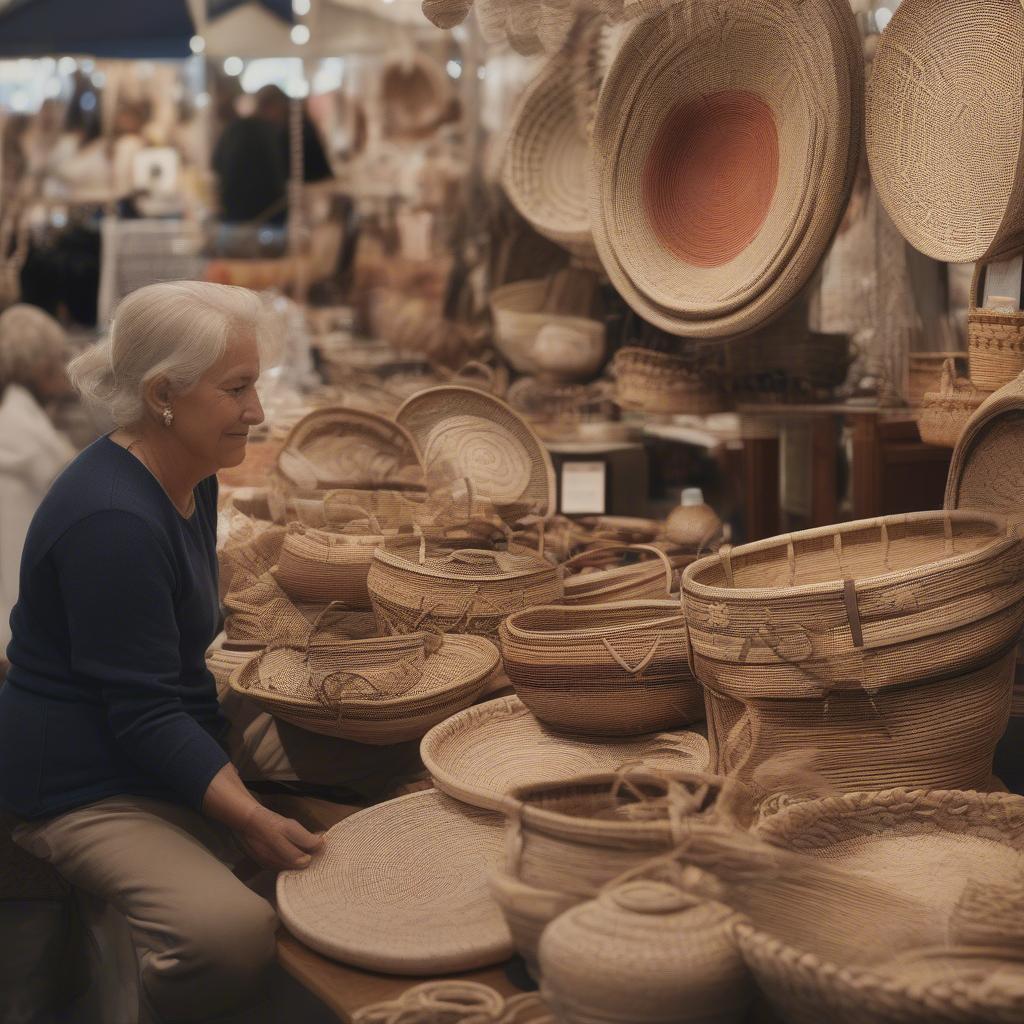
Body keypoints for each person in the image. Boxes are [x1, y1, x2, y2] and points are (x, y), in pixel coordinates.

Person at [0, 281, 417, 1023]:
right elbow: (143, 716)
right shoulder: (112, 521)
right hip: (81, 777)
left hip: (159, 721)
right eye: (237, 389)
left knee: (395, 748)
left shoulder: (185, 476)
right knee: (226, 932)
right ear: (163, 393)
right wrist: (250, 817)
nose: (256, 410)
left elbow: (174, 679)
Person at [0, 304, 76, 665]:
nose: (66, 368)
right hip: (18, 625)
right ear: (43, 367)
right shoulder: (28, 434)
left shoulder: (16, 416)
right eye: (60, 359)